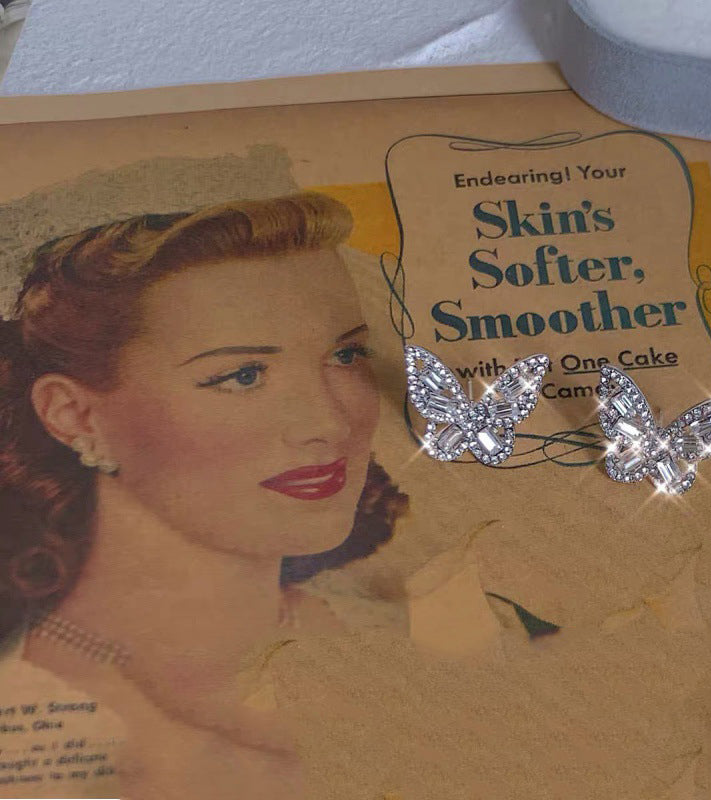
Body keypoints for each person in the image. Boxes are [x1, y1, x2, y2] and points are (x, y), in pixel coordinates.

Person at [0, 191, 407, 797]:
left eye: (345, 355)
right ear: (75, 415)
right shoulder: (54, 747)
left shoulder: (385, 629)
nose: (328, 421)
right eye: (243, 375)